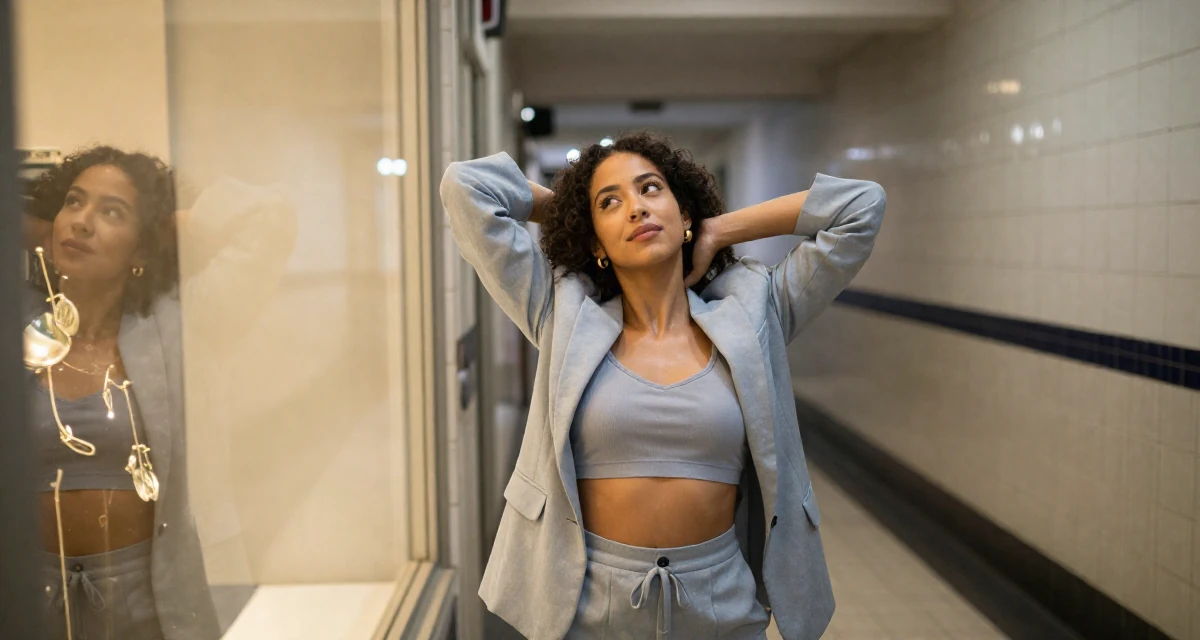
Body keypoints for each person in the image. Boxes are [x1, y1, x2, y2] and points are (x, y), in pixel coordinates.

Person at [441, 131, 885, 640]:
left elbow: (861, 207)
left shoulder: (754, 311)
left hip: (721, 602)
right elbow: (466, 187)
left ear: (684, 212)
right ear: (595, 242)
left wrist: (720, 229)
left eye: (650, 189)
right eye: (610, 202)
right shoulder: (562, 313)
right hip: (591, 606)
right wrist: (571, 215)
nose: (636, 208)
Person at [21, 145, 295, 639]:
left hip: (152, 597)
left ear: (143, 248)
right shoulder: (20, 323)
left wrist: (172, 226)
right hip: (29, 593)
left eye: (112, 213)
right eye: (74, 202)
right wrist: (32, 229)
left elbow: (269, 217)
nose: (81, 222)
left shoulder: (185, 323)